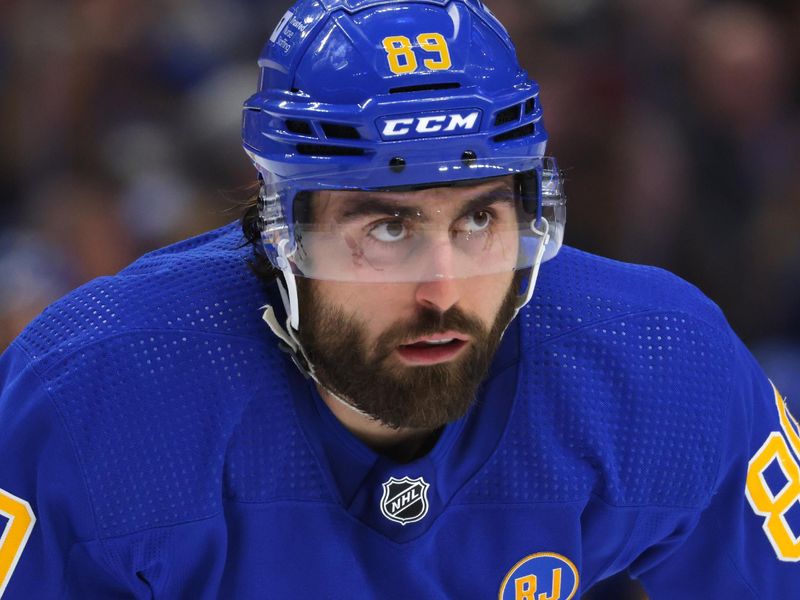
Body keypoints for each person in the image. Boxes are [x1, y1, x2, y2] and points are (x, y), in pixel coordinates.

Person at [0, 0, 796, 597]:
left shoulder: (667, 365)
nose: (443, 290)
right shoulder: (87, 395)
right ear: (278, 233)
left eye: (481, 218)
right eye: (385, 228)